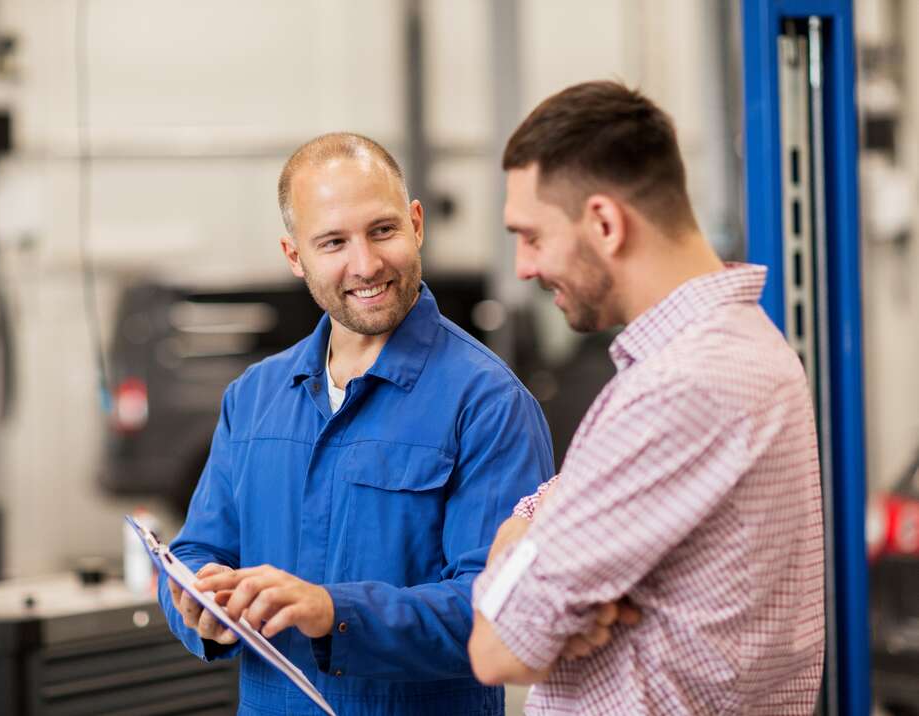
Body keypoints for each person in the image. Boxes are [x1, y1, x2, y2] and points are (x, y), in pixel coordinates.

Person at [159, 132, 555, 715]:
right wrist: (195, 603)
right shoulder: (253, 398)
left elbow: (502, 609)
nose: (365, 264)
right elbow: (197, 549)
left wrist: (333, 613)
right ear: (295, 256)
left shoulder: (489, 402)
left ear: (417, 224)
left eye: (383, 230)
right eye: (333, 242)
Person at [467, 81, 825, 714]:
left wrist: (515, 554)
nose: (523, 266)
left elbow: (498, 648)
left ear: (604, 222)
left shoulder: (684, 385)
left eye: (532, 236)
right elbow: (543, 516)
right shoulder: (735, 346)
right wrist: (526, 527)